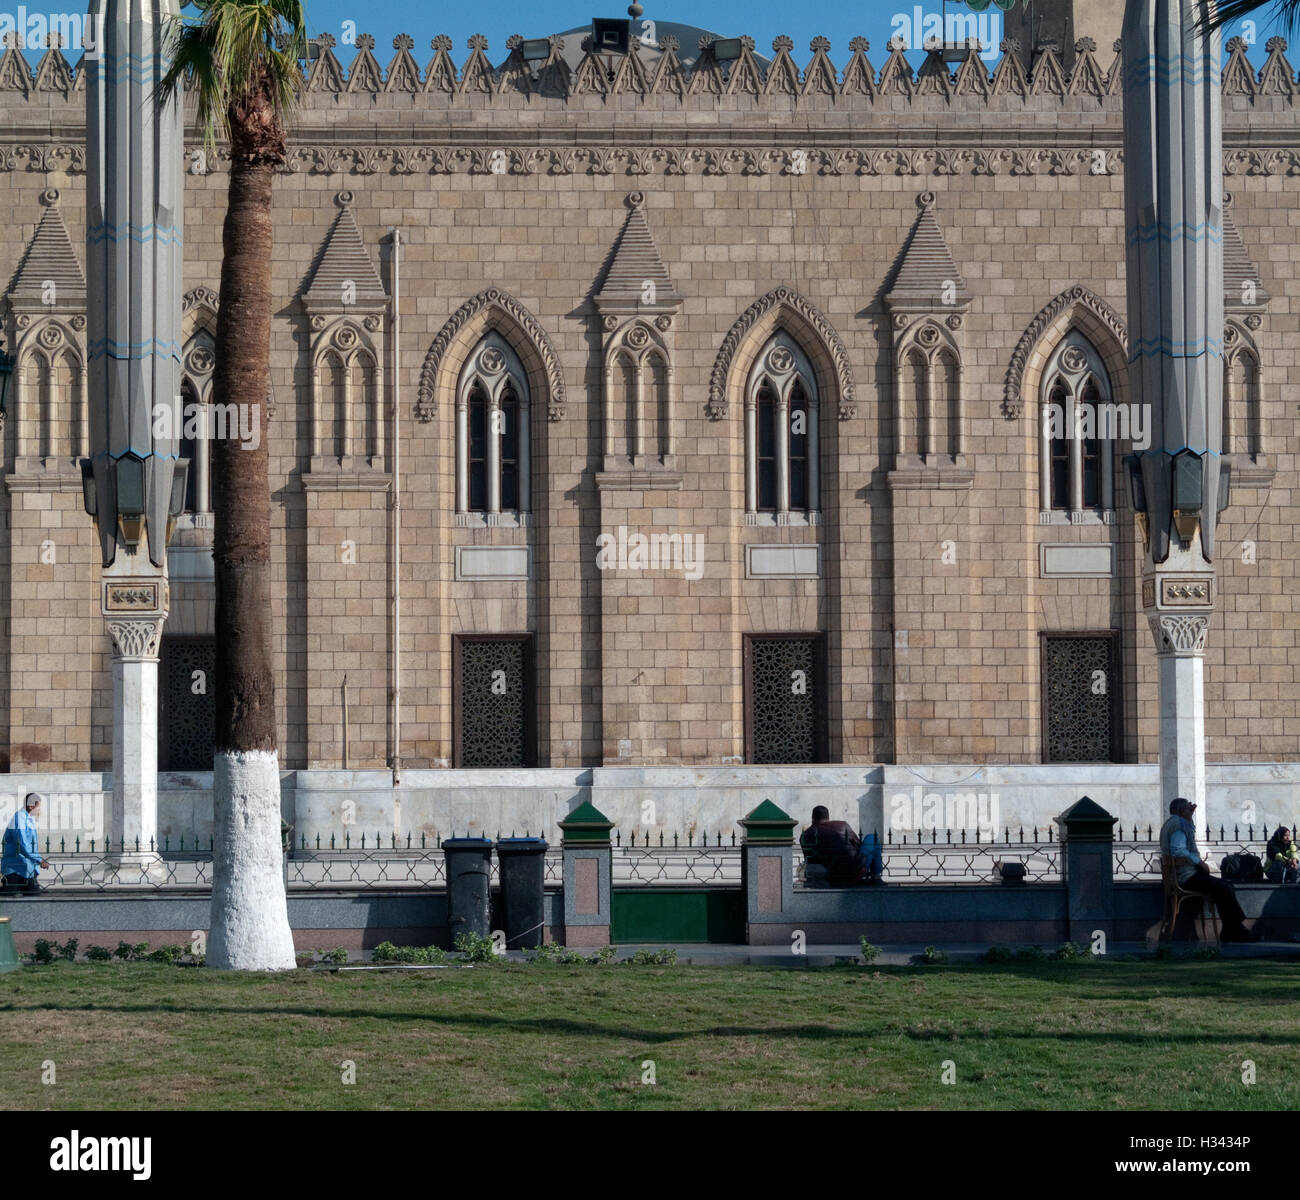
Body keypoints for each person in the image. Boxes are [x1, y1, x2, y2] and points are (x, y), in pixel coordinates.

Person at [1159, 797, 1259, 943]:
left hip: (1182, 875)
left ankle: (1232, 929)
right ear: (1181, 811)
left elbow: (1185, 836)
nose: (1191, 810)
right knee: (1224, 888)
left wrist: (1189, 815)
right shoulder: (1179, 825)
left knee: (1225, 886)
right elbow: (1179, 850)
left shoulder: (1172, 823)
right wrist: (1199, 863)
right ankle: (1234, 930)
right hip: (1186, 877)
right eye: (1188, 809)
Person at [800, 806, 883, 885]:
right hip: (855, 873)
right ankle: (875, 876)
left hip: (832, 877)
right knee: (872, 838)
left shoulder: (805, 835)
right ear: (828, 817)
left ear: (813, 818)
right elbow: (858, 845)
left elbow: (808, 859)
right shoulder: (841, 825)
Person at [2, 793, 49, 894]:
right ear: (31, 806)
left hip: (27, 867)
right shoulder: (19, 819)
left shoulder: (29, 819)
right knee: (9, 895)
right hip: (14, 868)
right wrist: (39, 860)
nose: (39, 810)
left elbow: (31, 844)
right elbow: (22, 844)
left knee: (33, 894)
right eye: (38, 807)